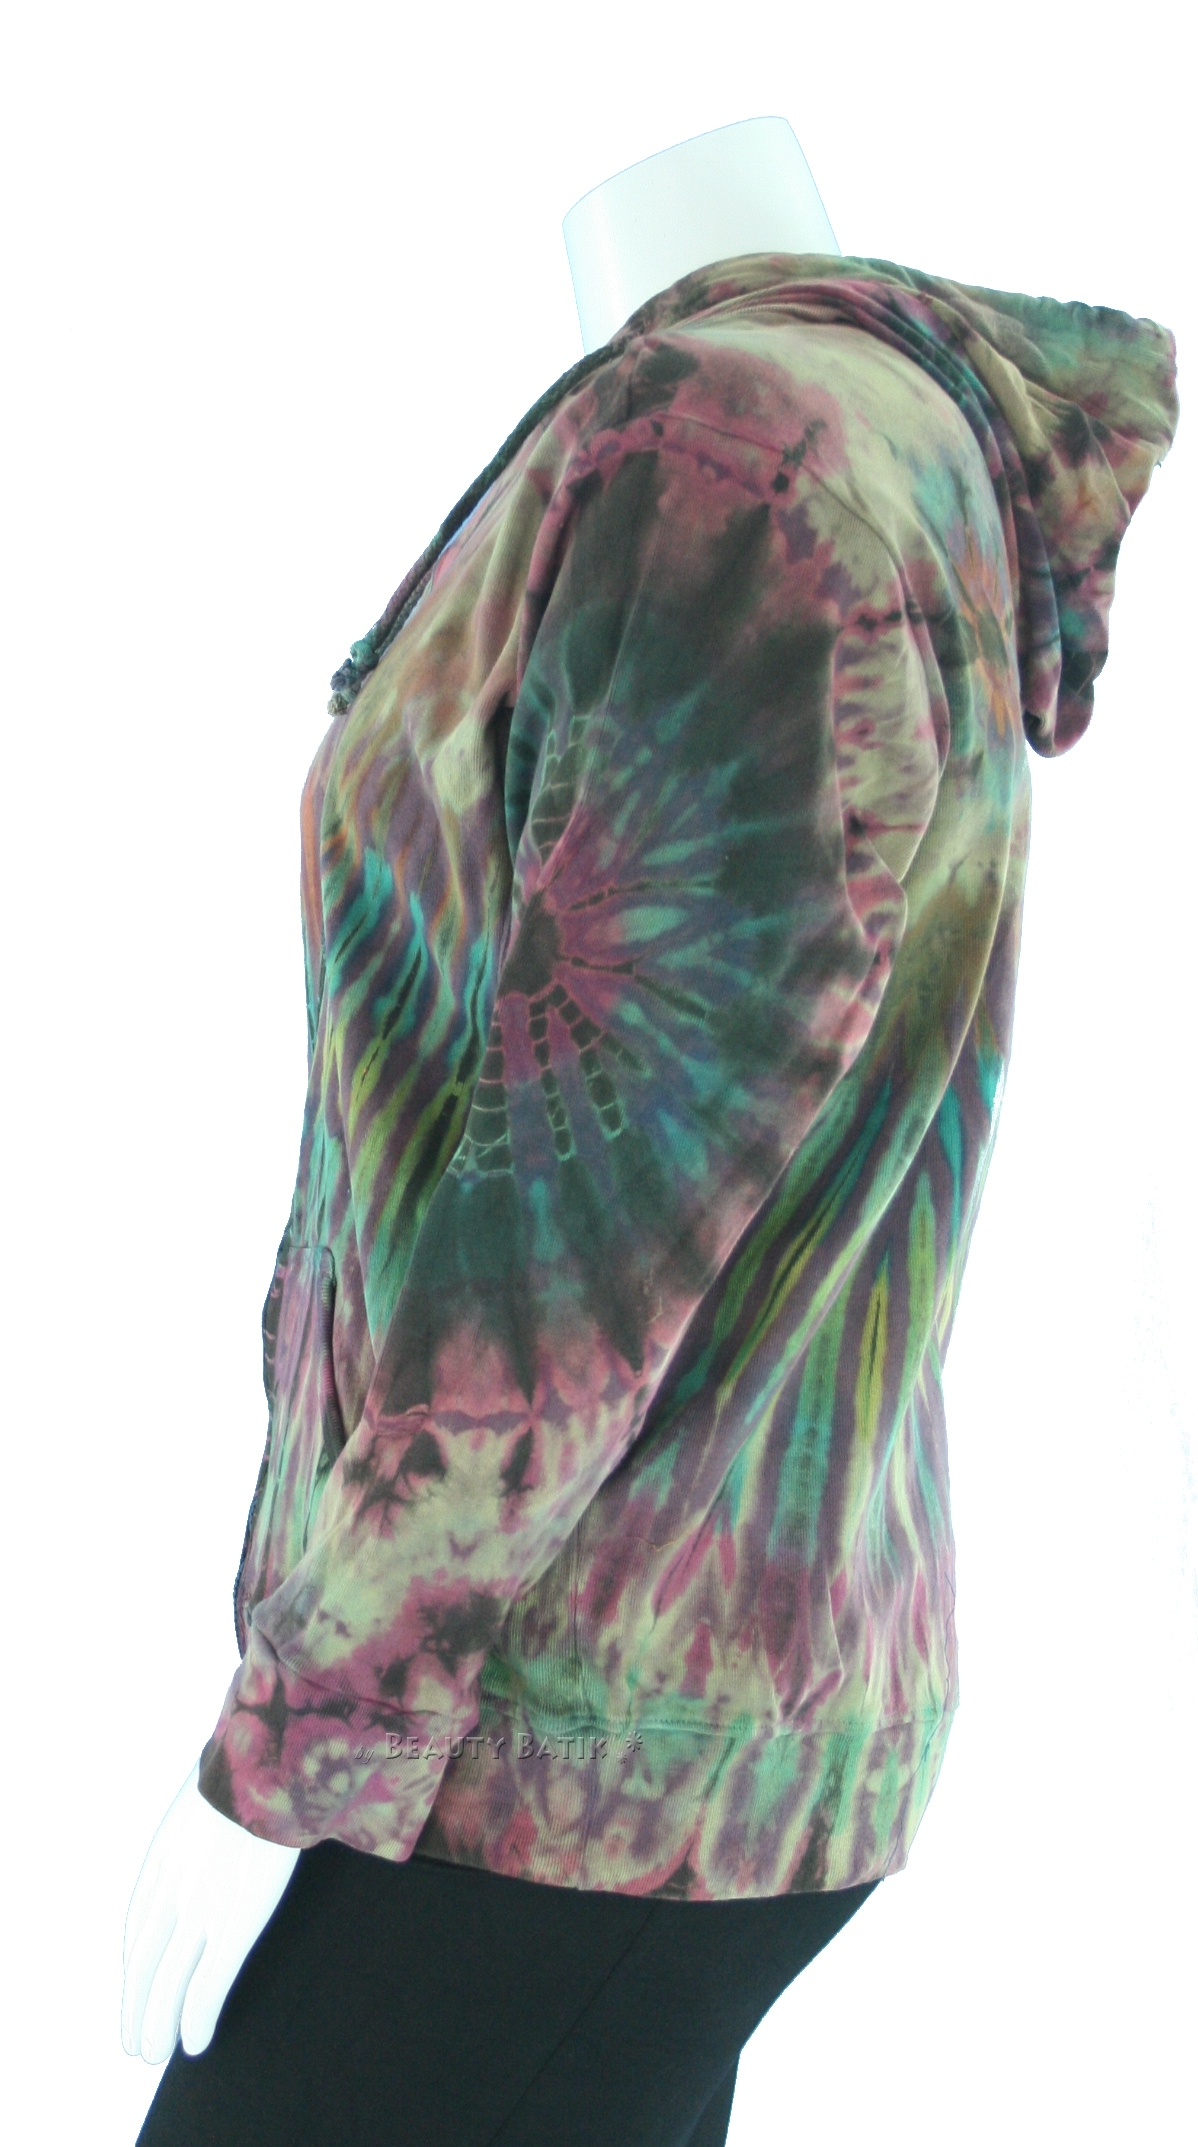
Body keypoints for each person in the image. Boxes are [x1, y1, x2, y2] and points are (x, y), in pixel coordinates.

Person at [123, 115, 1178, 2146]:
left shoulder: (725, 455)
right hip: (666, 1704)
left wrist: (305, 1733)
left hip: (550, 1747)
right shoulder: (875, 450)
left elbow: (584, 1209)